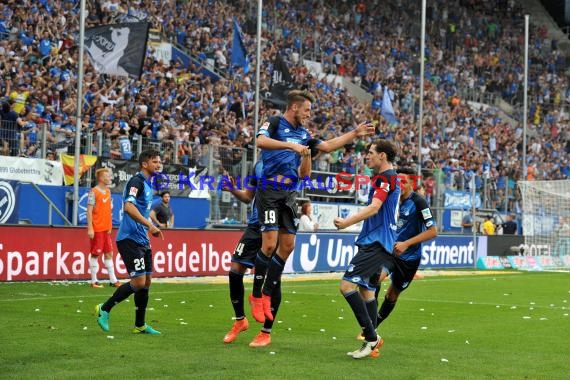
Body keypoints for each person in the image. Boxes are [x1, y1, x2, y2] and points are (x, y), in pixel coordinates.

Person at [251, 89, 375, 324]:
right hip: (269, 191)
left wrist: (355, 133)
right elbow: (260, 141)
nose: (309, 114)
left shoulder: (304, 133)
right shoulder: (276, 122)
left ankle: (266, 293)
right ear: (294, 107)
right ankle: (256, 296)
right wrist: (291, 146)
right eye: (307, 109)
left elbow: (327, 146)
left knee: (287, 245)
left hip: (289, 194)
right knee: (269, 245)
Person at [222, 150, 313, 347]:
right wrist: (232, 190)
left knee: (273, 280)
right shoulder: (258, 165)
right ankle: (240, 321)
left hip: (277, 226)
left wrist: (307, 155)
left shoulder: (289, 161)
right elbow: (248, 197)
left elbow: (305, 174)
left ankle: (266, 332)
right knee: (235, 270)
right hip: (256, 224)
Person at [333, 139, 401, 359]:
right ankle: (374, 338)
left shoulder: (386, 177)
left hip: (377, 242)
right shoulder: (390, 178)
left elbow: (374, 207)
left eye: (371, 152)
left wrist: (346, 222)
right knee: (366, 290)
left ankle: (370, 339)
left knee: (346, 286)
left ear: (383, 155)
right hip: (380, 241)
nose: (367, 156)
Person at [361, 167, 438, 357]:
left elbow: (433, 231)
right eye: (398, 181)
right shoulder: (392, 199)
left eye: (404, 181)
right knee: (374, 279)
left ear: (412, 183)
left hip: (409, 258)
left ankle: (374, 325)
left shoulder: (419, 202)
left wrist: (406, 243)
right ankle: (371, 330)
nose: (400, 185)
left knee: (393, 294)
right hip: (390, 252)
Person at [95, 149, 164, 335]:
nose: (159, 164)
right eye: (155, 161)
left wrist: (152, 226)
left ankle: (140, 325)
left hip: (142, 239)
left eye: (160, 161)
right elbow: (128, 207)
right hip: (129, 238)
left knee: (147, 281)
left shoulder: (148, 185)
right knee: (139, 281)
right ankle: (105, 308)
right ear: (144, 164)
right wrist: (150, 225)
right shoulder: (137, 181)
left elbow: (141, 209)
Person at [87, 168, 120, 288]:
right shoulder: (93, 192)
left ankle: (113, 280)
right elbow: (89, 211)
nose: (110, 178)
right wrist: (90, 228)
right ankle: (94, 281)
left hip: (106, 229)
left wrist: (110, 225)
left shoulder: (108, 191)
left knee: (109, 253)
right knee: (95, 254)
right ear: (101, 178)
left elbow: (108, 211)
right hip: (97, 228)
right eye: (107, 176)